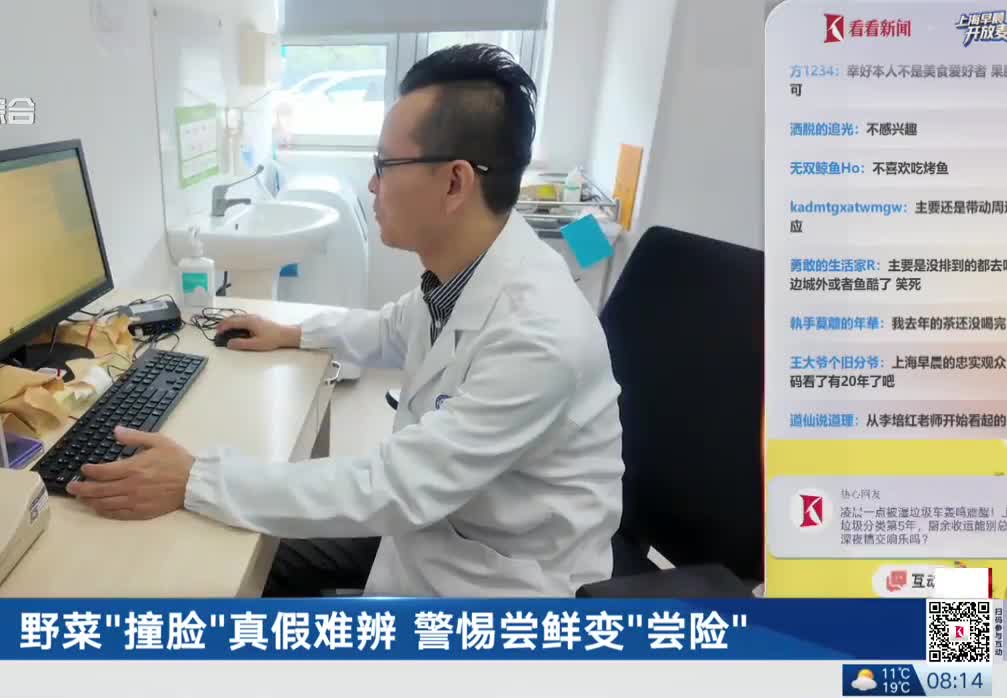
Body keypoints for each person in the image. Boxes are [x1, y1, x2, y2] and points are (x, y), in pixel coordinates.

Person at [67, 44, 625, 597]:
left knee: (211, 586)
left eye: (385, 166)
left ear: (455, 183)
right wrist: (293, 333)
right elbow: (391, 328)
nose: (373, 185)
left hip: (498, 586)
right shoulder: (469, 272)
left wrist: (196, 477)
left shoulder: (538, 334)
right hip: (435, 528)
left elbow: (394, 485)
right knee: (219, 547)